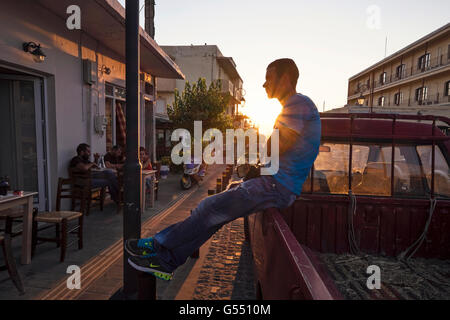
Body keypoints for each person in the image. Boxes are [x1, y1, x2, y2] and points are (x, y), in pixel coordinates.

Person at [125, 59, 322, 281]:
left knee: (209, 206)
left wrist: (264, 157)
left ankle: (158, 245)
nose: (264, 85)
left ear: (285, 79)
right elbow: (275, 149)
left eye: (269, 79)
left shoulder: (297, 104)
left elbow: (278, 146)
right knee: (212, 214)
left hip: (277, 186)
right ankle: (167, 262)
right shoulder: (293, 107)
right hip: (275, 184)